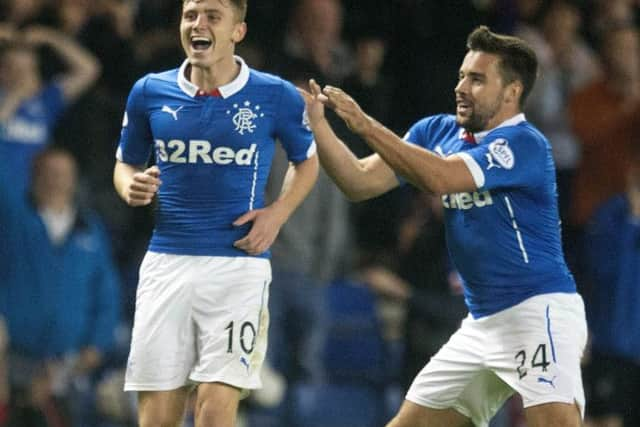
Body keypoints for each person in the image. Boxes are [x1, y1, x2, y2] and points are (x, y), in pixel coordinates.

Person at [301, 26, 587, 427]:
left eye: (477, 79)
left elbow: (440, 178)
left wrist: (365, 126)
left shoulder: (524, 144)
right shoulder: (436, 132)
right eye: (461, 76)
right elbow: (359, 181)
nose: (462, 87)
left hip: (537, 311)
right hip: (483, 322)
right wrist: (318, 125)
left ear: (511, 92)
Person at [112, 1, 319, 426]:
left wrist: (277, 213)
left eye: (211, 16)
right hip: (166, 263)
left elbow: (307, 161)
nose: (198, 24)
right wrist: (128, 186)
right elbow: (125, 163)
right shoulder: (149, 91)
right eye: (190, 15)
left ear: (237, 32)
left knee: (214, 406)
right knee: (156, 416)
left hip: (237, 266)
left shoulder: (273, 94)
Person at [0, 147, 122, 426]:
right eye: (50, 172)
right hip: (11, 360)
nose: (57, 180)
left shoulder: (89, 228)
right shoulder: (13, 219)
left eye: (64, 173)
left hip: (67, 367)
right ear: (34, 176)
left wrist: (97, 344)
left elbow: (107, 291)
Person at [0, 24, 101, 199]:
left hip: (33, 194)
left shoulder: (46, 99)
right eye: (14, 69)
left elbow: (89, 69)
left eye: (29, 69)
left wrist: (50, 37)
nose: (24, 75)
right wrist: (15, 97)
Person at [582, 155, 640, 427]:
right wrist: (632, 223)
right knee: (605, 419)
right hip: (613, 345)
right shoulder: (610, 216)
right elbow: (600, 271)